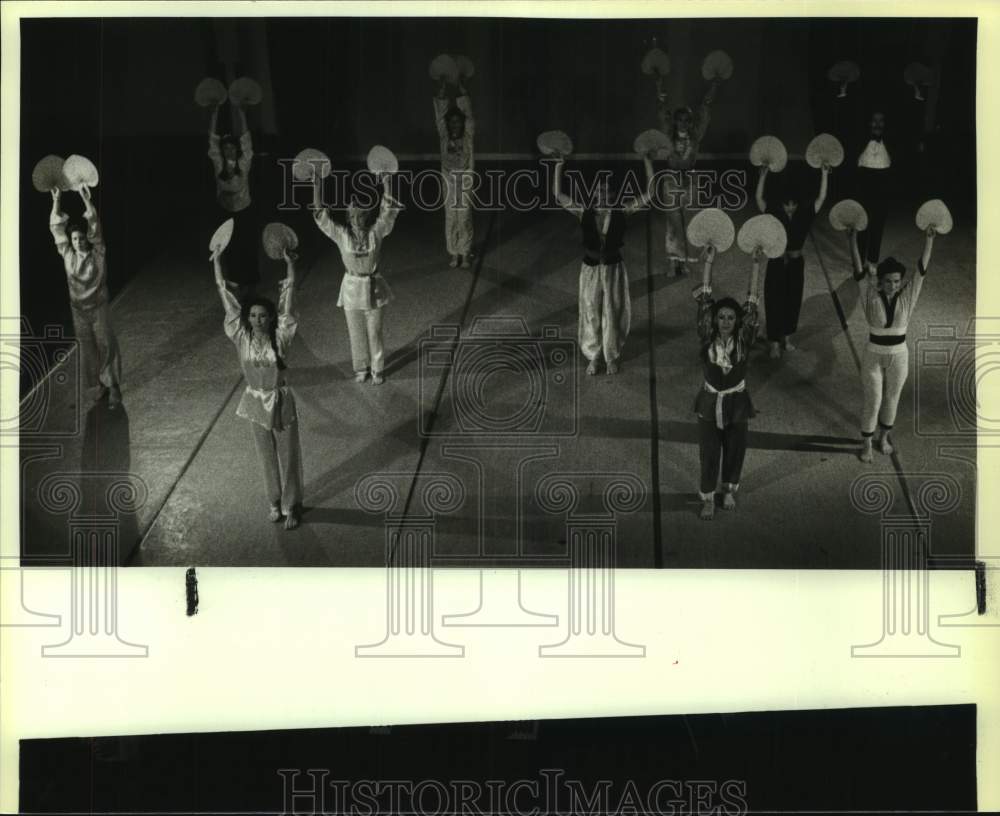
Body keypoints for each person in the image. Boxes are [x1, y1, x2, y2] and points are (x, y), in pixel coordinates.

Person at [212, 242, 303, 530]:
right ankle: (274, 501)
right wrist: (217, 262)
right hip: (254, 400)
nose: (257, 320)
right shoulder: (241, 337)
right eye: (252, 316)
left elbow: (288, 299)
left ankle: (292, 506)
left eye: (262, 315)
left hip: (281, 400)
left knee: (288, 455)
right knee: (265, 455)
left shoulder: (282, 336)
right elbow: (225, 297)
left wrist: (289, 265)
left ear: (271, 318)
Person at [553, 152, 655, 375]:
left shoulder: (621, 212)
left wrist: (647, 163)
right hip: (590, 270)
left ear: (613, 194)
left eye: (606, 191)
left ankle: (610, 356)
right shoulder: (583, 212)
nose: (602, 195)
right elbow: (558, 195)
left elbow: (649, 194)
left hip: (613, 269)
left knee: (612, 310)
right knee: (591, 312)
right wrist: (559, 166)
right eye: (598, 191)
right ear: (593, 193)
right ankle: (594, 356)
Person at [847, 223, 936, 463]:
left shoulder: (908, 296)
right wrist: (853, 241)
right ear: (880, 281)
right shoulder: (869, 295)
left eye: (897, 281)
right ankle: (866, 443)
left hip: (899, 356)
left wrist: (929, 240)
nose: (893, 285)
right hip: (873, 356)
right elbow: (858, 271)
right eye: (888, 281)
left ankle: (884, 437)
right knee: (873, 399)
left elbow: (921, 271)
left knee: (892, 398)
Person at [692, 244, 763, 520]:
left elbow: (752, 302)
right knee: (709, 452)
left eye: (731, 318)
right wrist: (709, 263)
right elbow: (706, 298)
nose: (725, 321)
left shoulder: (744, 339)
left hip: (737, 403)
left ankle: (729, 489)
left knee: (735, 449)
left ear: (738, 322)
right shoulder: (706, 335)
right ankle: (708, 497)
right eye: (721, 317)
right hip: (709, 402)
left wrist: (756, 265)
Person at [312, 172, 402, 385]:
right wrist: (316, 187)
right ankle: (361, 367)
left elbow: (388, 213)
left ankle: (378, 368)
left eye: (361, 216)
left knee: (375, 331)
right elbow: (321, 217)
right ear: (348, 219)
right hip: (352, 288)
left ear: (367, 216)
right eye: (352, 217)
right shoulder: (341, 235)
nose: (356, 220)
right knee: (356, 332)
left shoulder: (375, 233)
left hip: (374, 287)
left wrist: (387, 182)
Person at [49, 185, 123, 409]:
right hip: (78, 310)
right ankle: (98, 387)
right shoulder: (67, 254)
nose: (78, 242)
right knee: (88, 349)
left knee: (106, 346)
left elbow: (95, 226)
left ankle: (114, 388)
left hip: (98, 307)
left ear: (87, 239)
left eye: (81, 238)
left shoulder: (98, 252)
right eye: (74, 239)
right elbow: (56, 228)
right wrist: (57, 201)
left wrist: (85, 199)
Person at [754, 161, 831, 358]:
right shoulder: (775, 213)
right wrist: (762, 177)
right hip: (776, 263)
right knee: (773, 299)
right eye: (786, 204)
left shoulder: (804, 214)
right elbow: (759, 199)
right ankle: (773, 342)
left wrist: (824, 174)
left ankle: (786, 338)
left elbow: (821, 198)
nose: (789, 208)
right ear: (781, 202)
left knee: (793, 300)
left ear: (798, 202)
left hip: (796, 264)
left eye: (793, 204)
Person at [653, 73, 721, 276]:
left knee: (689, 220)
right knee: (673, 221)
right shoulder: (668, 135)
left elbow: (706, 108)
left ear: (691, 122)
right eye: (679, 120)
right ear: (675, 121)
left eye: (686, 120)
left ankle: (685, 260)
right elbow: (661, 110)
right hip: (671, 180)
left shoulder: (696, 135)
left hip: (690, 180)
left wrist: (714, 86)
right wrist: (659, 86)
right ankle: (673, 262)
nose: (683, 123)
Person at [208, 99, 258, 301]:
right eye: (225, 148)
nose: (228, 150)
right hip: (225, 211)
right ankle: (233, 281)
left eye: (231, 147)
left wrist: (241, 113)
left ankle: (251, 282)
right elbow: (211, 139)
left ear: (235, 149)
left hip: (245, 210)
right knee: (228, 247)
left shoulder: (243, 164)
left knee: (246, 245)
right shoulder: (219, 165)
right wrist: (214, 112)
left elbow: (247, 140)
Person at [433, 74, 475, 268]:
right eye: (452, 122)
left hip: (465, 177)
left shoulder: (468, 137)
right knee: (450, 216)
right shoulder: (444, 137)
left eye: (459, 121)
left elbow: (470, 117)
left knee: (464, 215)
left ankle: (464, 253)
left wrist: (463, 91)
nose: (455, 125)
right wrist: (442, 93)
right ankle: (453, 253)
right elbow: (440, 118)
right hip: (449, 179)